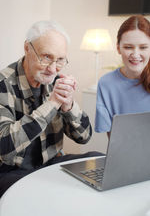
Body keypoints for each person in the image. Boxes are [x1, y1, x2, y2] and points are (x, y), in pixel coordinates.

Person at [0, 20, 102, 198]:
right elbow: (4, 145)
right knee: (43, 195)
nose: (53, 68)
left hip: (51, 163)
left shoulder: (56, 80)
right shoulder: (3, 84)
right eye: (46, 57)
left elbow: (84, 137)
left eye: (60, 59)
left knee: (100, 160)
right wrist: (52, 103)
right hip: (10, 171)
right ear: (27, 48)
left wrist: (69, 106)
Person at [95, 15, 150, 137]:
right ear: (118, 48)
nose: (135, 54)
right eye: (128, 47)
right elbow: (114, 141)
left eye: (143, 47)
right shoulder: (106, 84)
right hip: (126, 154)